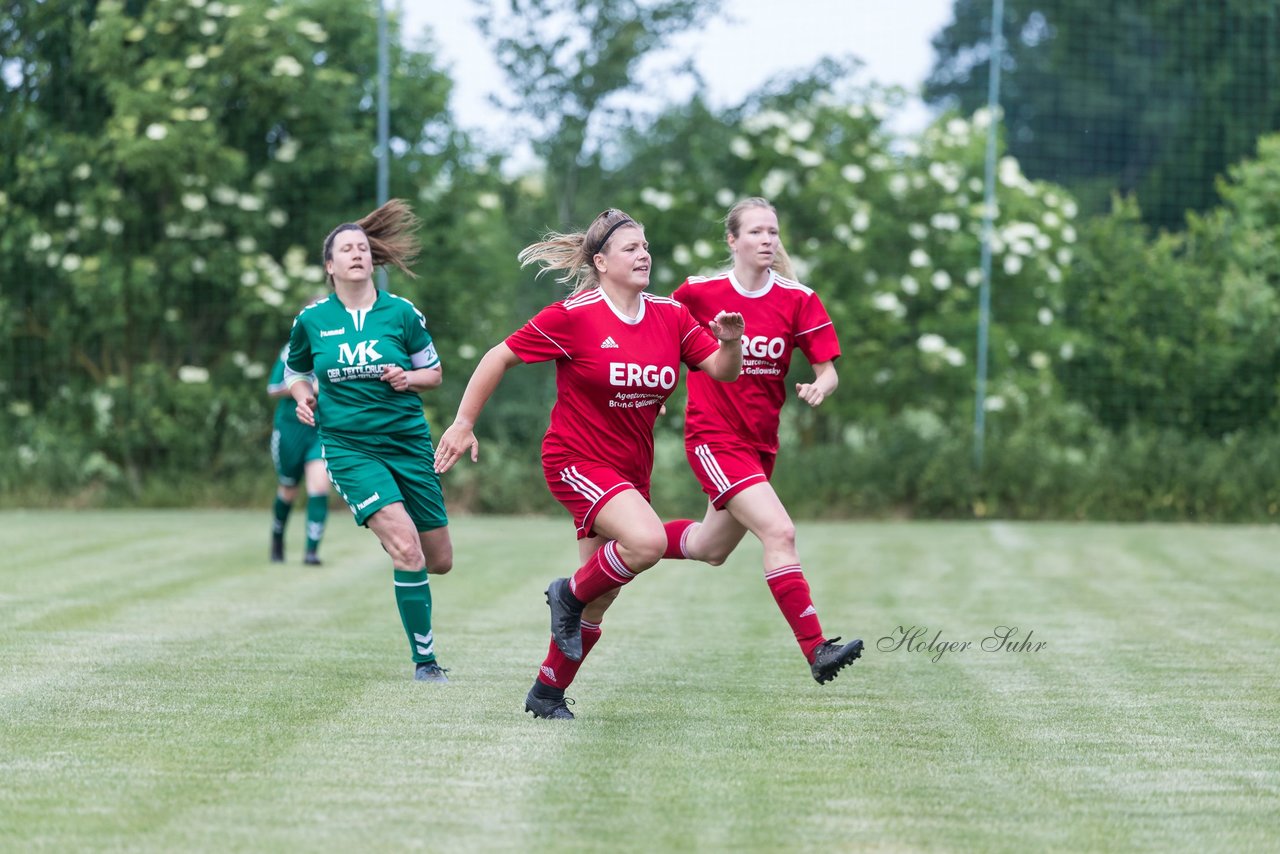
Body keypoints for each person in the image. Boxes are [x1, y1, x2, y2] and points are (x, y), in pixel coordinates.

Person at [433, 208, 745, 719]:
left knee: (601, 597)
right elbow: (499, 355)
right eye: (631, 248)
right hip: (575, 460)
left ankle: (546, 694)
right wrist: (464, 422)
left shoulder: (671, 316)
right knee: (642, 543)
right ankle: (565, 596)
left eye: (646, 246)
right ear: (600, 261)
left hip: (629, 470)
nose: (644, 254)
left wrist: (730, 341)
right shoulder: (574, 315)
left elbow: (723, 372)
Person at [666, 197, 863, 684]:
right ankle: (816, 648)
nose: (767, 240)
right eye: (755, 232)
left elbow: (828, 370)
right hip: (713, 438)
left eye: (772, 232)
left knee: (710, 548)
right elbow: (655, 332)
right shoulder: (697, 292)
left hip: (760, 446)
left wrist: (821, 385)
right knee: (780, 533)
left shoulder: (798, 298)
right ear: (732, 240)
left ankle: (608, 557)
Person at [284, 199, 453, 684]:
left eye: (363, 247)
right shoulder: (312, 320)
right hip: (349, 446)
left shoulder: (401, 314)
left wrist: (408, 377)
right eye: (347, 249)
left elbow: (435, 373)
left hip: (407, 443)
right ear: (330, 266)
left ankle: (398, 542)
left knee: (437, 560)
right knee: (408, 549)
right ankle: (425, 662)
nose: (357, 254)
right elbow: (297, 370)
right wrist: (303, 396)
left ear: (372, 260)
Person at [267, 328, 329, 566]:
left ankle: (311, 551)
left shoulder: (337, 348)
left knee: (319, 486)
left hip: (320, 428)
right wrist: (308, 387)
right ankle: (277, 537)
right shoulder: (292, 349)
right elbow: (273, 388)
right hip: (291, 429)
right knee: (288, 489)